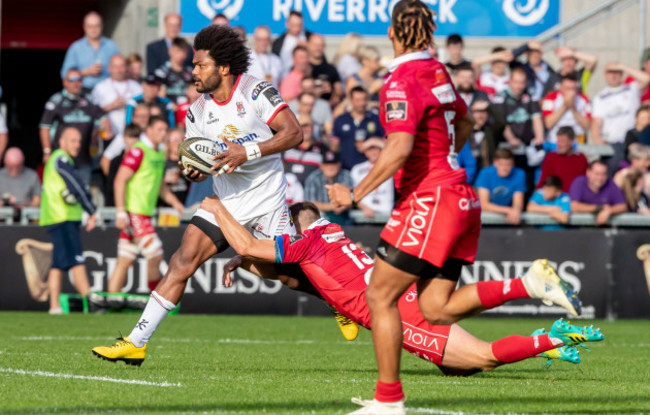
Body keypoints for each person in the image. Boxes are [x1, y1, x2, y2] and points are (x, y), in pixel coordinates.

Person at [326, 2, 580, 412]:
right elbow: (463, 122)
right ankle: (528, 284)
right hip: (461, 196)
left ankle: (388, 401)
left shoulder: (399, 80)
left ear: (392, 32)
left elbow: (400, 146)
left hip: (433, 198)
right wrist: (448, 159)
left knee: (379, 296)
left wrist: (355, 194)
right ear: (429, 31)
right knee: (435, 308)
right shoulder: (437, 70)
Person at [200, 198, 590, 404]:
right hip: (398, 298)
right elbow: (277, 268)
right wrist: (245, 259)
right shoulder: (329, 231)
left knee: (483, 357)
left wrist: (217, 208)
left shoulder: (305, 244)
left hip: (402, 315)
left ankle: (551, 334)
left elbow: (253, 244)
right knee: (458, 371)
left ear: (295, 226)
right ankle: (544, 339)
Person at [91, 24, 314, 363]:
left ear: (223, 67)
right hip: (225, 201)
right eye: (193, 65)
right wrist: (193, 170)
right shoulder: (196, 111)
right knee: (183, 260)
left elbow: (294, 133)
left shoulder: (256, 92)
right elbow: (200, 163)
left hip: (267, 199)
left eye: (200, 65)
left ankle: (334, 301)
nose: (193, 71)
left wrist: (247, 152)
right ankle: (136, 342)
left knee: (286, 276)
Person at [108, 116, 184, 295]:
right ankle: (156, 300)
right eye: (159, 129)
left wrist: (175, 203)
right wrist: (121, 212)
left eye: (165, 130)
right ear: (148, 130)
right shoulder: (138, 151)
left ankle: (111, 300)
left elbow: (158, 186)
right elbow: (120, 180)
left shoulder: (158, 153)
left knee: (125, 259)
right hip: (134, 212)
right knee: (155, 255)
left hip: (143, 213)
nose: (163, 134)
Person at [39, 127, 97, 314]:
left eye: (79, 141)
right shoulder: (60, 158)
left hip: (59, 216)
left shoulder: (62, 160)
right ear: (61, 141)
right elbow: (75, 184)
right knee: (77, 260)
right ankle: (89, 304)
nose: (77, 145)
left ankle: (55, 306)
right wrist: (90, 209)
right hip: (61, 216)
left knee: (59, 262)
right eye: (73, 140)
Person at [40, 67, 111, 185]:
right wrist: (47, 151)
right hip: (62, 159)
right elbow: (44, 127)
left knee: (82, 194)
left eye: (79, 79)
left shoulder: (89, 99)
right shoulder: (57, 101)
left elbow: (103, 120)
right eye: (72, 79)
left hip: (84, 161)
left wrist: (104, 129)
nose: (76, 83)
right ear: (65, 82)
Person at [591, 62, 650, 170]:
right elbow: (596, 121)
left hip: (634, 140)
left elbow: (646, 78)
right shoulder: (600, 97)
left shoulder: (632, 89)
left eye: (617, 72)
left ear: (622, 73)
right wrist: (597, 139)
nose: (614, 75)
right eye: (610, 72)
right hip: (613, 144)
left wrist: (622, 66)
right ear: (605, 74)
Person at [60, 12, 120, 91]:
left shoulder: (111, 46)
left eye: (96, 26)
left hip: (108, 91)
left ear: (102, 26)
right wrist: (86, 72)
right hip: (83, 91)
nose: (93, 29)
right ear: (84, 27)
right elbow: (65, 74)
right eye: (90, 26)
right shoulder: (76, 47)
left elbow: (121, 69)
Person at [330, 86, 384, 170]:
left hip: (370, 169)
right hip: (346, 169)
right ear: (351, 100)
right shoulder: (341, 119)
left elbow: (386, 141)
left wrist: (371, 142)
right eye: (358, 100)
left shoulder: (376, 118)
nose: (362, 103)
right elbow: (334, 146)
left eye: (364, 99)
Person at [91, 54, 143, 136]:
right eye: (116, 67)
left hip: (132, 135)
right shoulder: (100, 88)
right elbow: (92, 112)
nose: (119, 70)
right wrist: (111, 106)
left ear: (126, 67)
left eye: (122, 66)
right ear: (109, 68)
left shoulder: (137, 87)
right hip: (109, 135)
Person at [475, 148, 527, 225]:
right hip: (486, 218)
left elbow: (518, 202)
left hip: (508, 217)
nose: (505, 168)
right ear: (495, 163)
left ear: (513, 164)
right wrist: (509, 210)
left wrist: (516, 211)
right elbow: (484, 204)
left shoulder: (519, 174)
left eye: (508, 165)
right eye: (502, 164)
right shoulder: (485, 173)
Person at [569, 160, 627, 226]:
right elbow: (574, 206)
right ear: (588, 173)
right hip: (579, 227)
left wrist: (609, 211)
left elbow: (623, 206)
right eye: (597, 174)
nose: (600, 178)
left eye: (603, 174)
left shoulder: (610, 184)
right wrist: (599, 208)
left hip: (603, 227)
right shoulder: (579, 182)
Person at [304, 150, 353, 225]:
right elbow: (310, 203)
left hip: (343, 215)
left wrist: (344, 206)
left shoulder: (346, 176)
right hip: (318, 217)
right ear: (321, 165)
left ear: (339, 164)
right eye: (327, 164)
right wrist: (333, 206)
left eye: (333, 164)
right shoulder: (313, 178)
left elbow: (352, 197)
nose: (330, 167)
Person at [350, 138, 393, 219]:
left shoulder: (390, 166)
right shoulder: (357, 169)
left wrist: (374, 141)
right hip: (364, 214)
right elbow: (351, 193)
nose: (374, 152)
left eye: (377, 148)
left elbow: (395, 152)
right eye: (370, 149)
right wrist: (364, 208)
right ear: (365, 152)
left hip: (387, 213)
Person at [541, 73, 591, 143]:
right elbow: (548, 124)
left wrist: (573, 108)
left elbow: (587, 125)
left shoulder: (584, 99)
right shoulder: (550, 98)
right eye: (567, 88)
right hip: (555, 141)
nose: (570, 92)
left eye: (573, 89)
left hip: (577, 141)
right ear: (560, 87)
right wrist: (564, 106)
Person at [537, 126, 588, 192]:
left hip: (576, 198)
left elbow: (586, 181)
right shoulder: (551, 158)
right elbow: (543, 182)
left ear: (571, 141)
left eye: (562, 141)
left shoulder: (581, 158)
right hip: (556, 199)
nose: (559, 144)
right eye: (558, 141)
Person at [283, 114, 324, 185]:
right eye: (301, 126)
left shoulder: (322, 149)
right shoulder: (287, 147)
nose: (304, 129)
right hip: (290, 193)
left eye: (307, 126)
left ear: (313, 127)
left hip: (311, 192)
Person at [154, 37, 194, 106]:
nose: (181, 55)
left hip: (186, 109)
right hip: (169, 110)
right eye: (178, 51)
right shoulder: (161, 72)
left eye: (184, 51)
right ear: (170, 51)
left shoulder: (190, 72)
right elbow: (158, 95)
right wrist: (168, 103)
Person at [272, 10, 311, 78]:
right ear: (287, 24)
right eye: (294, 25)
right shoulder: (278, 42)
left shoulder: (309, 38)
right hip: (284, 79)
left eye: (299, 25)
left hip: (304, 79)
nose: (297, 28)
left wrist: (308, 48)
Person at [0, 148, 41, 212]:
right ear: (5, 163)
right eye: (11, 167)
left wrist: (27, 205)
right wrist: (5, 203)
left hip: (27, 218)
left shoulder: (32, 175)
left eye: (18, 166)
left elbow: (38, 200)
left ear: (23, 162)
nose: (14, 170)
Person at [307, 34, 343, 106]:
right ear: (308, 45)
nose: (318, 48)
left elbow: (339, 90)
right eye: (315, 45)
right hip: (306, 105)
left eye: (321, 45)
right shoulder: (302, 67)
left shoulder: (331, 69)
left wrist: (333, 95)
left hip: (327, 107)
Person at [163, 126, 190, 206]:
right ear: (167, 142)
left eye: (178, 140)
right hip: (166, 209)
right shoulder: (163, 163)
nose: (176, 143)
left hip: (187, 207)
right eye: (172, 140)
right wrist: (166, 182)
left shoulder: (188, 163)